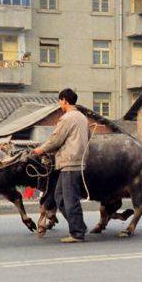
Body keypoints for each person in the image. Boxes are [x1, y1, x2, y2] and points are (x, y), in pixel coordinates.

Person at [33, 88, 90, 243]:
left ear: (64, 100)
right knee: (59, 197)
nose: (60, 104)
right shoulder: (83, 118)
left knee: (70, 199)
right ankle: (80, 226)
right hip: (76, 162)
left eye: (60, 101)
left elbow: (55, 140)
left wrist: (39, 150)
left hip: (70, 162)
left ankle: (77, 233)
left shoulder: (67, 118)